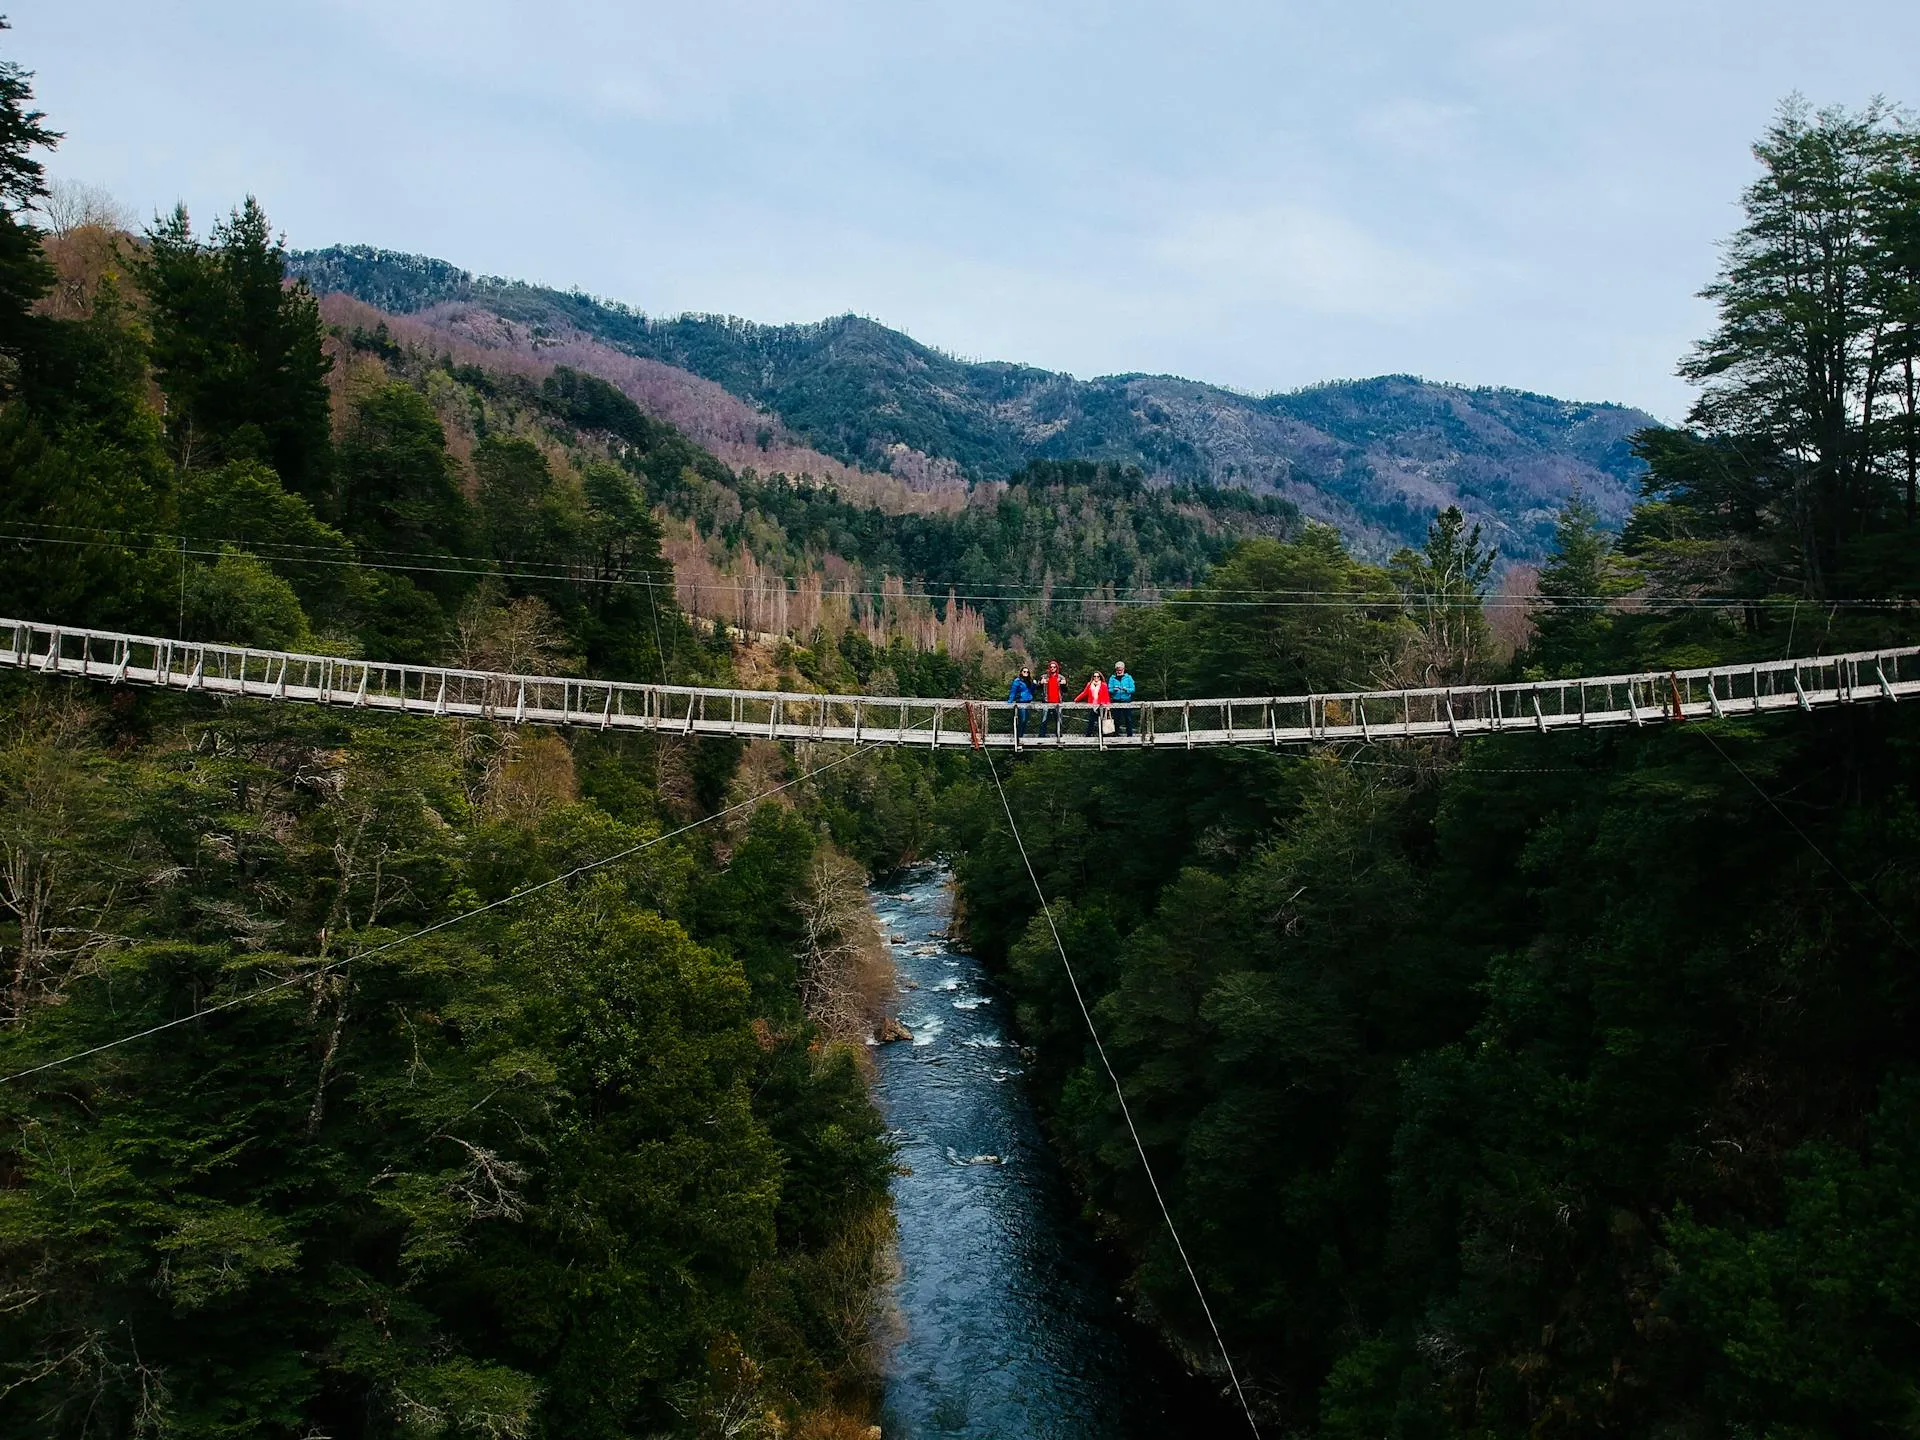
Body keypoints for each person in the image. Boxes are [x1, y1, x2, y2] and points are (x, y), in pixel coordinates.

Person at [1074, 669, 1110, 736]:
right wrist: (1076, 699)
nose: (1096, 678)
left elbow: (1106, 696)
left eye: (1098, 676)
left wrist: (1107, 706)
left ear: (1100, 677)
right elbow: (1084, 693)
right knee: (1091, 722)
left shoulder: (1103, 685)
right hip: (1092, 706)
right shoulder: (1089, 684)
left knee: (1102, 723)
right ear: (1093, 677)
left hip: (1101, 706)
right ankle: (1088, 737)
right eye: (1094, 676)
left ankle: (1103, 739)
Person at [1007, 664, 1035, 740]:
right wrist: (1010, 701)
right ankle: (1018, 736)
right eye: (1024, 671)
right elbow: (1013, 691)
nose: (1026, 673)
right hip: (1021, 702)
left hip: (1028, 702)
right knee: (1022, 719)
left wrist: (1034, 685)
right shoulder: (1017, 681)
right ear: (1021, 672)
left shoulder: (1029, 681)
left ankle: (1021, 735)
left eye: (1027, 672)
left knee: (1026, 720)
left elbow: (1031, 691)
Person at [1108, 660, 1136, 736]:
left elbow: (1133, 689)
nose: (1119, 671)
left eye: (1120, 670)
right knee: (1116, 719)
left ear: (1123, 669)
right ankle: (1116, 735)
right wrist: (1114, 690)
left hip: (1126, 701)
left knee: (1128, 719)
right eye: (1117, 670)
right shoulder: (1112, 678)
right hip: (1116, 701)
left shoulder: (1128, 678)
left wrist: (1126, 690)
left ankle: (1129, 735)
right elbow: (1109, 690)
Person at [1038, 659, 1064, 737]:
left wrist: (1064, 684)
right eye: (1051, 667)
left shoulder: (1061, 678)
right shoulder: (1044, 677)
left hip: (1057, 702)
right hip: (1047, 701)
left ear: (1057, 668)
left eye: (1054, 667)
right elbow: (1037, 688)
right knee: (1044, 720)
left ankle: (1059, 737)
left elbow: (1065, 690)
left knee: (1058, 720)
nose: (1052, 668)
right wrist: (1040, 683)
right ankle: (1041, 738)